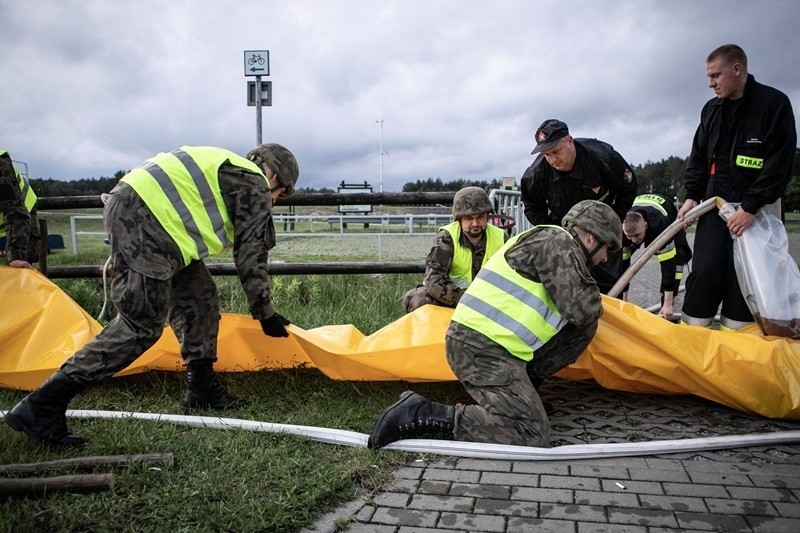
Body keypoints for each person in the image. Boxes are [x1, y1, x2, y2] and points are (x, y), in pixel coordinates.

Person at [5, 144, 299, 447]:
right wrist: (265, 313)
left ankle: (201, 389)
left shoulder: (229, 166)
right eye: (282, 193)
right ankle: (43, 405)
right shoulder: (254, 183)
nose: (275, 200)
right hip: (147, 222)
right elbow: (251, 254)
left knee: (200, 296)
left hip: (150, 218)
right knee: (140, 326)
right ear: (274, 174)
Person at [368, 200, 622, 449]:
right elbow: (583, 309)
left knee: (584, 330)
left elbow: (581, 319)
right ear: (591, 238)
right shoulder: (556, 244)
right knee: (531, 432)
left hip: (494, 348)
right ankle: (422, 413)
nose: (603, 259)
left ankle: (524, 391)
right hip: (479, 349)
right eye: (607, 249)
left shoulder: (551, 242)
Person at [677, 44, 796, 331]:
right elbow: (698, 156)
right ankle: (693, 340)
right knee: (704, 272)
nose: (711, 83)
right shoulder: (712, 110)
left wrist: (751, 207)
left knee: (746, 277)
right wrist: (692, 195)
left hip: (758, 205)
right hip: (714, 199)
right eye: (708, 76)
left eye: (716, 75)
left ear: (737, 69)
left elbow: (779, 163)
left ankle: (737, 346)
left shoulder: (773, 104)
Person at [520, 119, 637, 295]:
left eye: (556, 152)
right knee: (569, 287)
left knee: (609, 286)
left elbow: (628, 188)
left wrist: (612, 223)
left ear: (570, 141)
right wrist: (557, 232)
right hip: (567, 234)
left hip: (601, 234)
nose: (552, 159)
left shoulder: (603, 158)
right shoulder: (536, 174)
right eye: (547, 154)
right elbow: (531, 206)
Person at [402, 186, 507, 312]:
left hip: (490, 299)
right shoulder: (446, 238)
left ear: (487, 216)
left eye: (480, 217)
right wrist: (467, 301)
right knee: (419, 298)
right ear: (459, 219)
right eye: (468, 218)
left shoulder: (501, 238)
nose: (475, 223)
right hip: (454, 298)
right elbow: (434, 279)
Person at [621, 193, 692, 321]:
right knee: (619, 258)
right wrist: (623, 302)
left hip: (668, 212)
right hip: (640, 210)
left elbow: (668, 267)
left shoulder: (659, 224)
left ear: (646, 226)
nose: (634, 240)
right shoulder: (624, 231)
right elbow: (622, 267)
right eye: (630, 237)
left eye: (637, 235)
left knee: (680, 256)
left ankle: (669, 302)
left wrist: (667, 304)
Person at [0, 149, 40, 268]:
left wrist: (16, 256)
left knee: (17, 270)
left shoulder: (1, 165)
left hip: (22, 217)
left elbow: (15, 210)